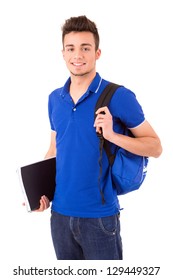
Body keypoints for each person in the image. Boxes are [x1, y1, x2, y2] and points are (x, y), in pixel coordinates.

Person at [35, 15, 162, 260]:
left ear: (97, 53)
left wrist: (113, 135)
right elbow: (54, 150)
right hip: (60, 218)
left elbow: (155, 147)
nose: (78, 55)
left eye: (85, 48)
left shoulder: (118, 96)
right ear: (63, 53)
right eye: (71, 49)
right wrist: (41, 194)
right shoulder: (54, 99)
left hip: (100, 219)